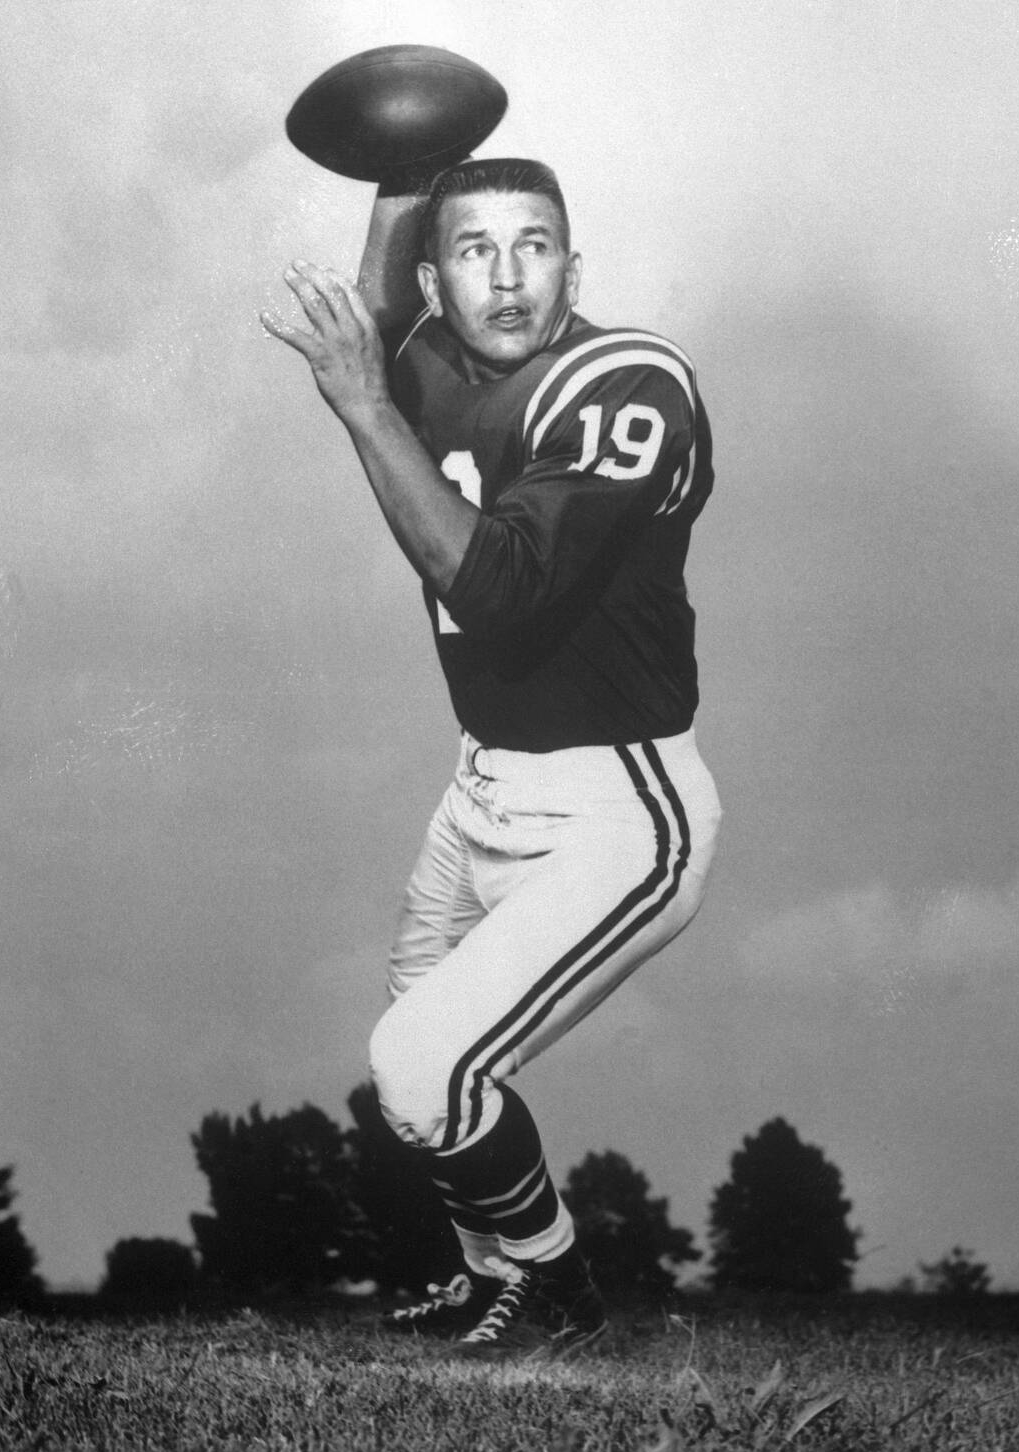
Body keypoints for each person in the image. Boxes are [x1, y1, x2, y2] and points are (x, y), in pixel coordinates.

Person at [262, 157, 721, 1356]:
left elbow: (503, 589)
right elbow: (379, 324)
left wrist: (361, 407)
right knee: (426, 1078)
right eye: (475, 249)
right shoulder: (437, 359)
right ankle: (489, 1276)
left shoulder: (629, 381)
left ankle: (562, 1288)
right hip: (486, 781)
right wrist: (399, 165)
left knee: (422, 1068)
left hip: (619, 805)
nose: (510, 275)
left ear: (577, 266)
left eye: (537, 245)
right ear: (436, 274)